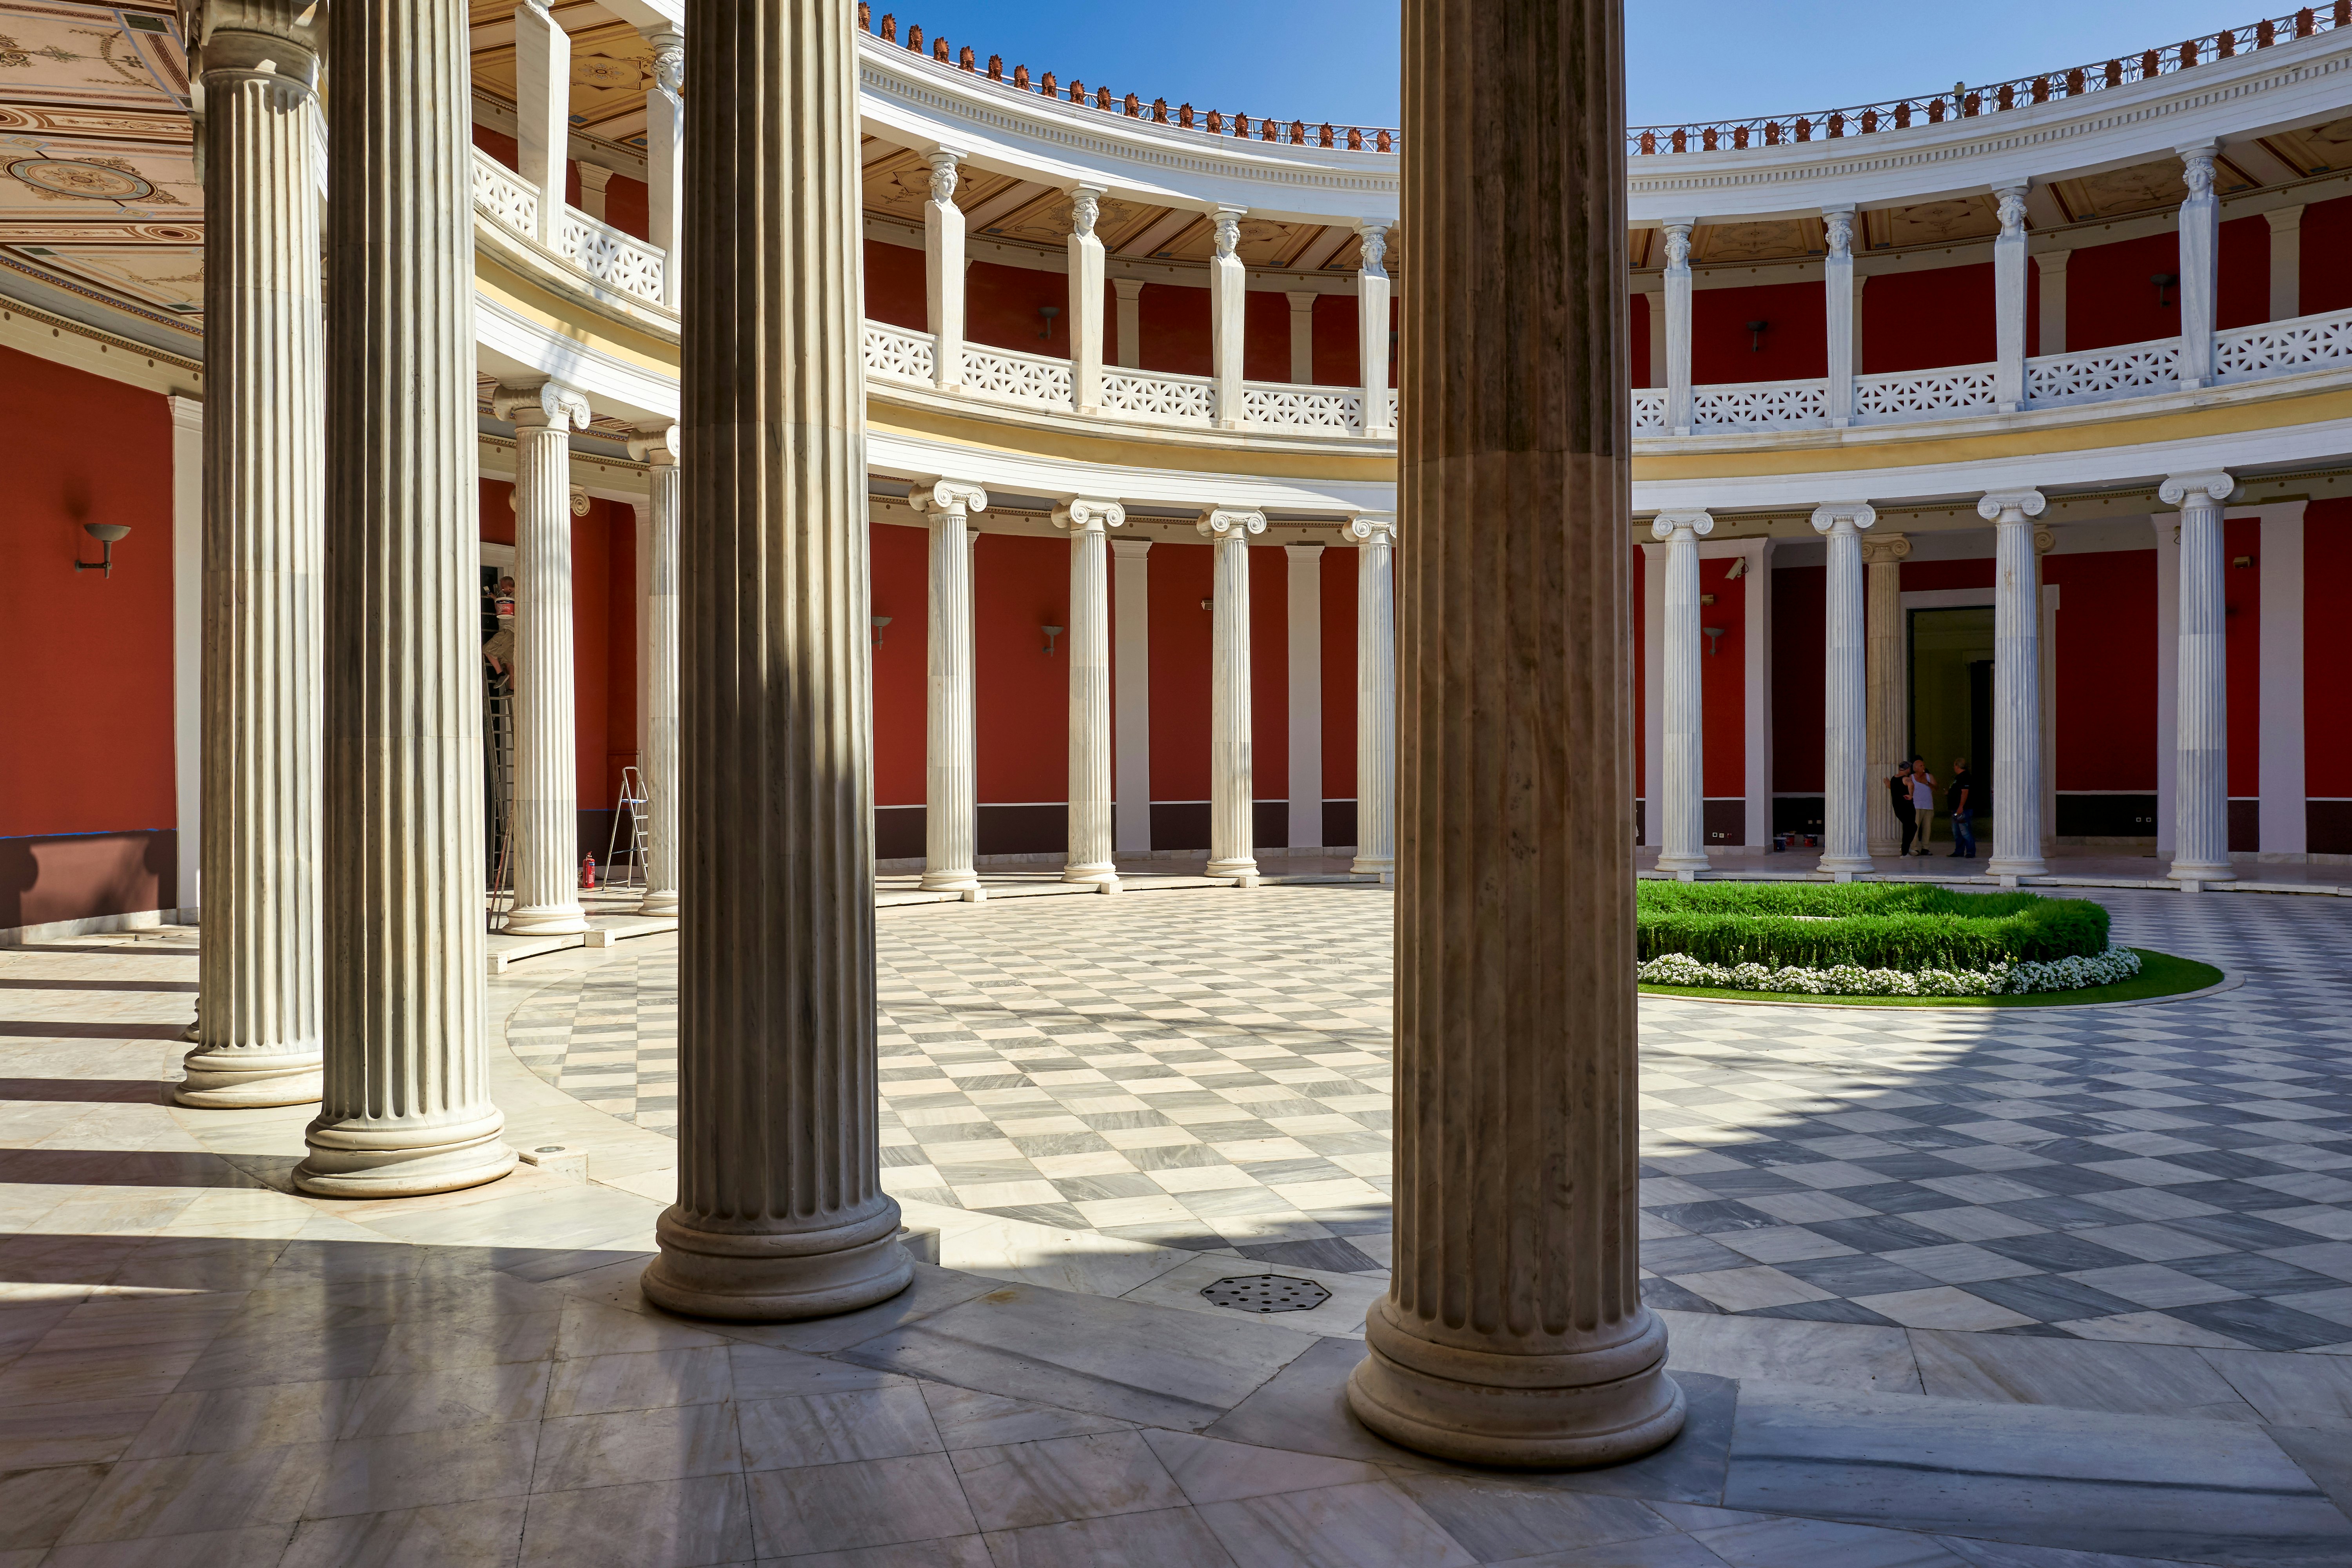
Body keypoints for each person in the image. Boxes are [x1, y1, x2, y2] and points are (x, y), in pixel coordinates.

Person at [1948, 757, 1976, 859]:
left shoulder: (1965, 777)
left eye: (1955, 765)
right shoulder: (1959, 777)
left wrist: (1961, 807)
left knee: (1965, 831)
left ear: (1957, 765)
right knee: (1957, 832)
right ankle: (1959, 851)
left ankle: (1970, 851)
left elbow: (1965, 792)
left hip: (1962, 810)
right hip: (1956, 809)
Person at [1908, 758, 1937, 856]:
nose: (1924, 767)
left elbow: (1936, 788)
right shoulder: (1911, 778)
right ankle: (1914, 848)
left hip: (1928, 806)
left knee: (1927, 829)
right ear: (1915, 768)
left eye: (1924, 766)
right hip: (1915, 806)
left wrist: (1927, 783)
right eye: (1921, 766)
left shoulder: (1929, 777)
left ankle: (1925, 848)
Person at [1889, 762, 1918, 858]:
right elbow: (1911, 785)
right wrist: (1911, 795)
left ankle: (1906, 847)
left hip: (1897, 808)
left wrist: (1887, 783)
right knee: (1912, 827)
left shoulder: (1894, 779)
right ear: (1908, 769)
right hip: (1907, 807)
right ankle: (1905, 852)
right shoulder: (1906, 779)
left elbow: (1891, 787)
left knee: (1908, 827)